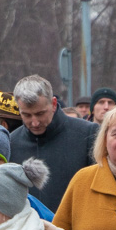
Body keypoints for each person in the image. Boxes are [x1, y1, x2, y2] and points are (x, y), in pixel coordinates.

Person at [9, 75, 98, 211]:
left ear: (54, 104)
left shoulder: (87, 134)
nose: (34, 122)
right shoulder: (11, 143)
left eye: (40, 114)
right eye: (26, 115)